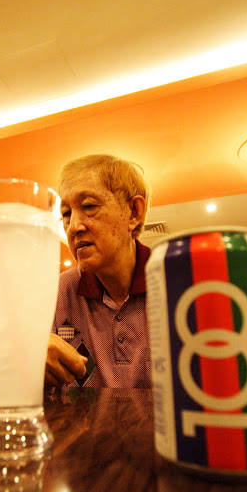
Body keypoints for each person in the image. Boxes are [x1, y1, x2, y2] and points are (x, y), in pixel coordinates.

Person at [46, 154, 152, 388]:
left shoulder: (177, 283)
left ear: (134, 212)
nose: (73, 227)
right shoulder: (58, 291)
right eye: (66, 214)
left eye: (89, 206)